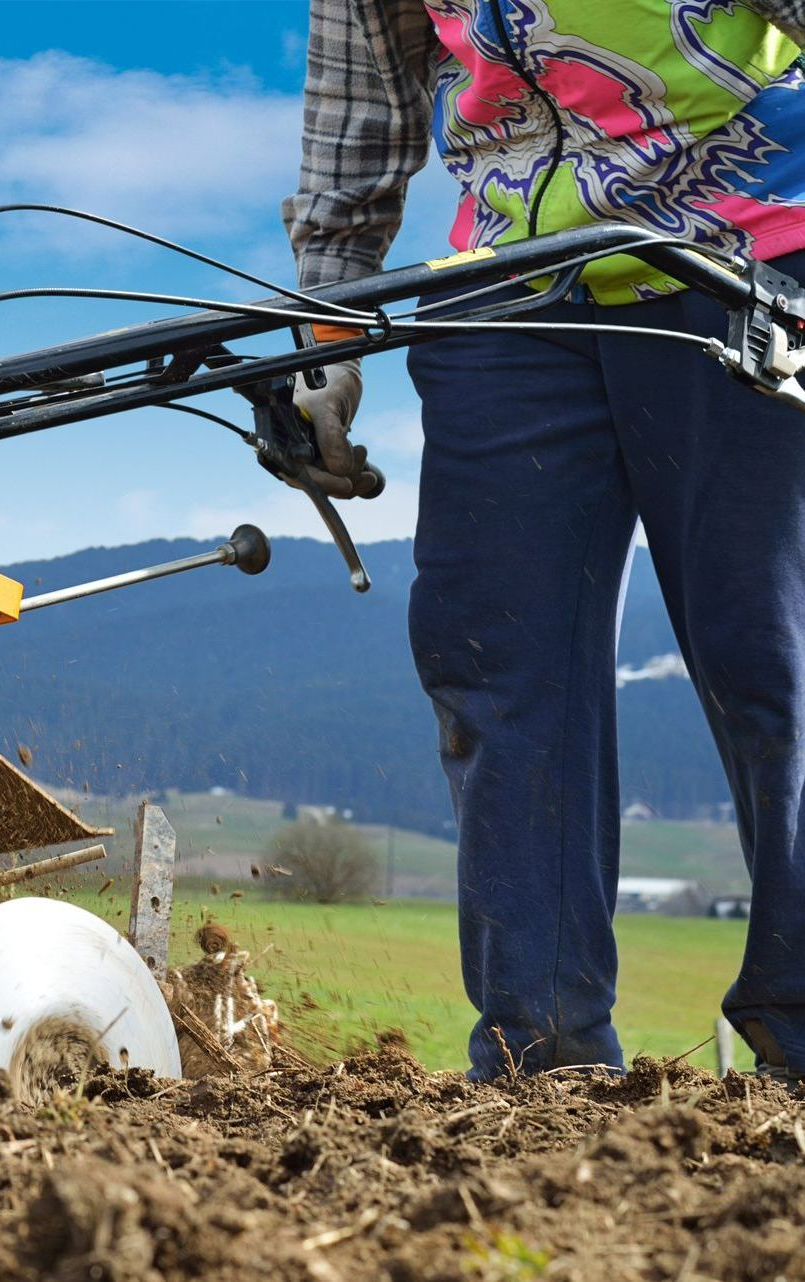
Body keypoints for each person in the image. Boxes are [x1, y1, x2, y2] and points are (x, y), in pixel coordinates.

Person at [284, 0, 805, 1080]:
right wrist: (324, 339)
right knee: (494, 661)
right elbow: (359, 116)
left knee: (772, 650)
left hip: (749, 253)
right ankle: (542, 1059)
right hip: (510, 284)